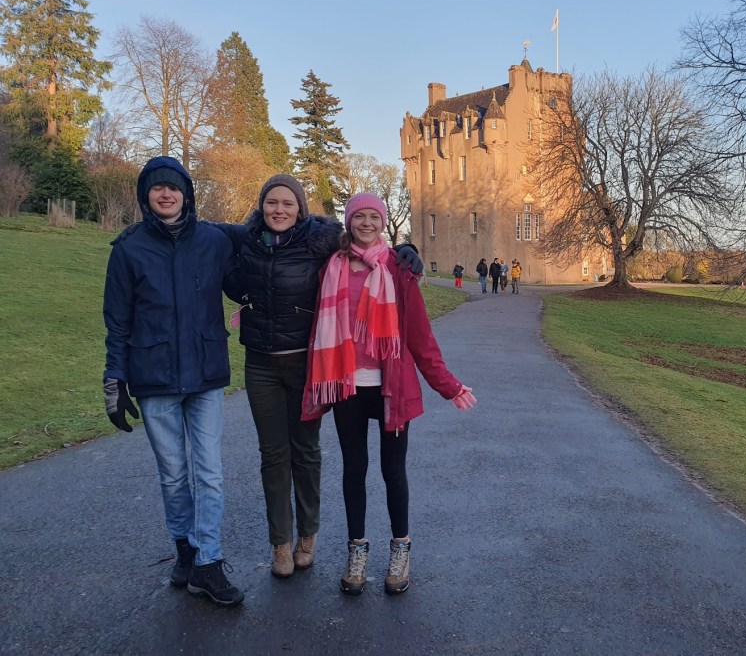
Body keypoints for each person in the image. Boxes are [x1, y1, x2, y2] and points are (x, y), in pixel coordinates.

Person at [218, 175, 424, 579]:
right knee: (279, 456)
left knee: (313, 453)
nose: (279, 210)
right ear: (261, 206)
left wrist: (408, 248)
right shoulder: (247, 242)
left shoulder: (320, 241)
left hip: (316, 367)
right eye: (271, 202)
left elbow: (371, 241)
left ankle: (315, 538)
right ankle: (285, 543)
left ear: (300, 209)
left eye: (287, 203)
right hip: (275, 364)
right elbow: (203, 239)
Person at [301, 192, 477, 597]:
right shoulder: (333, 267)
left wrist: (448, 385)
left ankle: (400, 549)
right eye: (358, 217)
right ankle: (357, 551)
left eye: (373, 217)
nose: (366, 223)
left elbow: (419, 335)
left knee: (393, 471)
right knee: (353, 469)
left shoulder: (399, 270)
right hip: (345, 385)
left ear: (383, 223)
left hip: (389, 388)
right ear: (348, 222)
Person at [102, 156, 244, 606]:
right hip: (154, 377)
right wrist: (115, 377)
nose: (166, 194)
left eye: (174, 187)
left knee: (210, 474)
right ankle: (185, 549)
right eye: (157, 188)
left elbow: (270, 240)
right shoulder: (128, 249)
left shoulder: (213, 241)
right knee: (173, 476)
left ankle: (208, 562)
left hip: (204, 374)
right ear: (146, 195)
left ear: (187, 193)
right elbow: (117, 322)